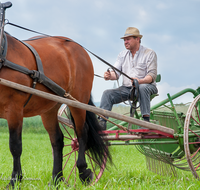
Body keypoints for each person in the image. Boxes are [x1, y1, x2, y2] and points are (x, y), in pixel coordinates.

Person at [99, 27, 158, 130]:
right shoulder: (122, 55)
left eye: (128, 39)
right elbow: (116, 74)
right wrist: (109, 76)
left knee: (143, 87)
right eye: (124, 40)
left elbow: (152, 76)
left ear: (137, 39)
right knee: (107, 94)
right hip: (127, 89)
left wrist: (139, 81)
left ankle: (146, 122)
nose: (125, 42)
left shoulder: (149, 53)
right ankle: (102, 122)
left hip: (147, 87)